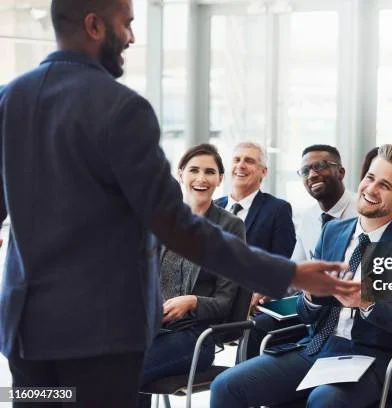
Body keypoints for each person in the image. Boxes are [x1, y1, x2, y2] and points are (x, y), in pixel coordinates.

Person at [0, 1, 357, 406]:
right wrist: (289, 272)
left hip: (24, 328)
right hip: (98, 337)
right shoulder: (121, 109)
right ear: (95, 25)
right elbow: (177, 226)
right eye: (127, 24)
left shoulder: (10, 99)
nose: (132, 37)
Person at [210, 144, 392, 408]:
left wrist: (368, 303)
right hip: (317, 348)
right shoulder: (332, 231)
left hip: (372, 358)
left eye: (384, 186)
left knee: (324, 401)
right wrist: (311, 296)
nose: (371, 189)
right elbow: (308, 314)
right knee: (226, 385)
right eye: (370, 178)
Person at [137, 144, 244, 406]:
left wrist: (193, 301)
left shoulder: (231, 227)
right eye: (194, 170)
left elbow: (226, 302)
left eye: (209, 172)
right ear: (181, 174)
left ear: (220, 179)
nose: (201, 178)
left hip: (195, 337)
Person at [243, 144, 358, 360]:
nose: (312, 174)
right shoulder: (309, 217)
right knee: (255, 326)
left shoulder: (362, 214)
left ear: (341, 172)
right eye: (305, 171)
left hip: (345, 316)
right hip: (310, 307)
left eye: (320, 166)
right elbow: (295, 270)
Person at [215, 141, 296, 258]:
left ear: (263, 171)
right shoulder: (214, 206)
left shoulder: (278, 210)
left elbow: (284, 263)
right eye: (236, 160)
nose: (241, 165)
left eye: (249, 161)